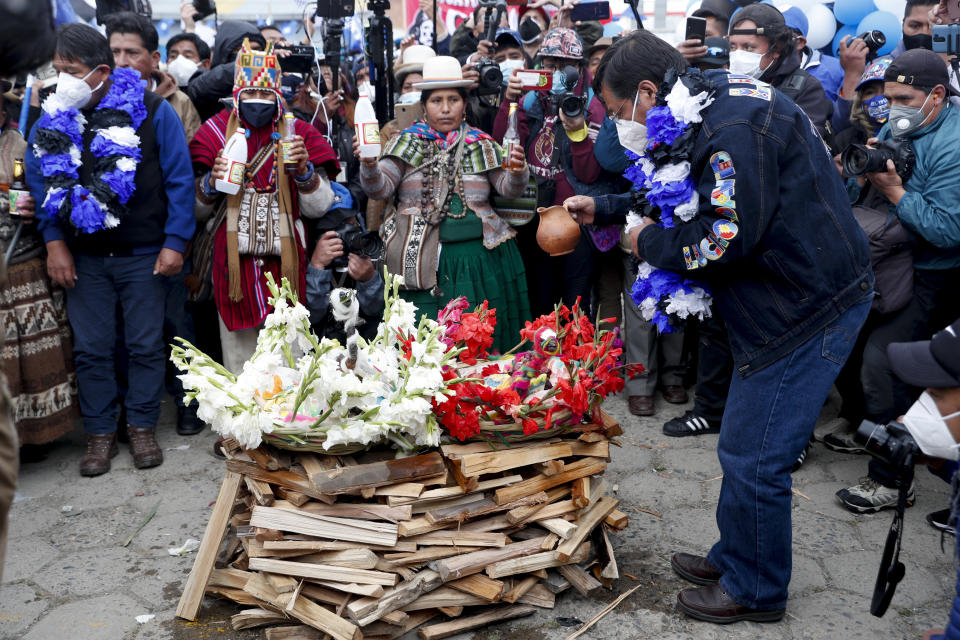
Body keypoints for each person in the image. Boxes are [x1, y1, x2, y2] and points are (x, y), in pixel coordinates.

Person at [568, 29, 872, 622]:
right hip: (784, 288)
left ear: (649, 92)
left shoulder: (729, 131)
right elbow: (678, 189)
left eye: (614, 110)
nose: (615, 125)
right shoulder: (701, 103)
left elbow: (720, 238)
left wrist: (643, 241)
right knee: (742, 444)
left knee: (753, 455)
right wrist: (606, 207)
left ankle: (756, 590)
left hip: (807, 302)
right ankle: (738, 552)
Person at [25, 23, 196, 476]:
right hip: (84, 258)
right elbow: (42, 181)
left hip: (144, 253)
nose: (62, 80)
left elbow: (180, 181)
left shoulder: (154, 111)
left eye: (72, 70)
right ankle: (100, 433)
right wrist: (55, 242)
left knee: (144, 346)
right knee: (92, 349)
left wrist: (175, 242)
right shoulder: (53, 116)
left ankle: (140, 426)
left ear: (101, 72)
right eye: (57, 69)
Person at [833, 49, 960, 513]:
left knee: (882, 362)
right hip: (886, 261)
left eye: (905, 98)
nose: (894, 109)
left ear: (938, 95)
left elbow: (949, 230)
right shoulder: (898, 125)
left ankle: (891, 479)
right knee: (846, 345)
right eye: (889, 98)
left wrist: (895, 193)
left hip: (934, 274)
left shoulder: (954, 143)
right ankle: (863, 427)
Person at [357, 56, 531, 352]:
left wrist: (518, 170)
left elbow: (507, 189)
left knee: (480, 342)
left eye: (454, 99)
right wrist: (369, 164)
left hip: (479, 260)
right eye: (437, 100)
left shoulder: (482, 143)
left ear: (465, 104)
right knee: (426, 347)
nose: (446, 107)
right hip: (423, 260)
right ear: (423, 106)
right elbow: (380, 188)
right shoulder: (405, 143)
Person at [189, 39, 339, 373]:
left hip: (287, 260)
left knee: (290, 359)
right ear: (237, 95)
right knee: (240, 363)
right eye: (250, 95)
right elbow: (196, 213)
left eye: (266, 95)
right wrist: (211, 184)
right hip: (232, 264)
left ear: (279, 95)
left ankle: (287, 424)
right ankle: (245, 423)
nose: (258, 102)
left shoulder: (299, 132)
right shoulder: (212, 132)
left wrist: (305, 173)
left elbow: (319, 208)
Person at [495, 27, 616, 318]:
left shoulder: (592, 108)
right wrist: (508, 103)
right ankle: (544, 363)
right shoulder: (529, 100)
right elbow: (505, 147)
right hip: (534, 219)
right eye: (550, 65)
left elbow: (589, 175)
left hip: (576, 223)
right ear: (539, 66)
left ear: (580, 67)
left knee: (576, 306)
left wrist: (577, 133)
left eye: (565, 66)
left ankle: (578, 362)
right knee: (540, 302)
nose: (557, 72)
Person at [0, 92, 77, 457]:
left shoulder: (20, 145)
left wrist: (31, 205)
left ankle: (34, 436)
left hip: (22, 265)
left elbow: (46, 193)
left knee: (33, 359)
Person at [728, 3, 834, 138]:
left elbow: (805, 146)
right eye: (733, 47)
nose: (738, 55)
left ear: (776, 49)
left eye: (748, 47)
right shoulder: (724, 81)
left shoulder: (806, 88)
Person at [305, 182, 384, 342]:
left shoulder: (365, 252)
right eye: (338, 227)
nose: (347, 232)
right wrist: (317, 267)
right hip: (321, 350)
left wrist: (369, 279)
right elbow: (311, 316)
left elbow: (375, 311)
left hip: (364, 347)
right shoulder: (310, 257)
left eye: (352, 224)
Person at [106, 13, 201, 142]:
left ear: (154, 59)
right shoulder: (97, 97)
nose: (121, 62)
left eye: (132, 53)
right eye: (115, 52)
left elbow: (189, 155)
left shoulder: (179, 102)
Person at [186, 21, 265, 122]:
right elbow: (198, 90)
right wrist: (246, 66)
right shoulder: (205, 80)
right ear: (224, 52)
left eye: (256, 50)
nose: (251, 55)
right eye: (242, 51)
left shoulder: (269, 77)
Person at [782, 6, 844, 103]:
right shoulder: (758, 66)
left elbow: (848, 113)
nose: (772, 41)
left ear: (799, 41)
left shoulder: (835, 69)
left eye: (781, 36)